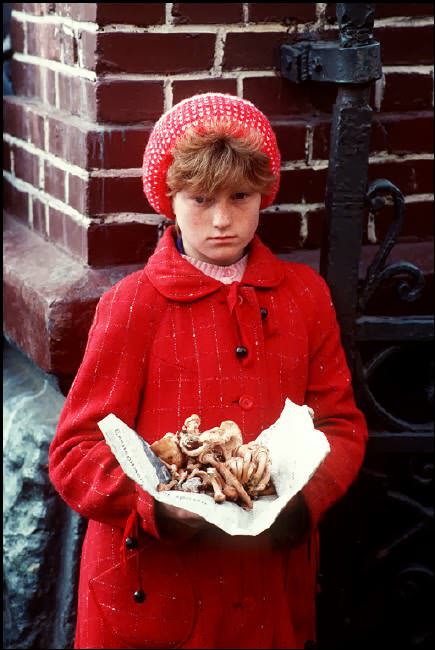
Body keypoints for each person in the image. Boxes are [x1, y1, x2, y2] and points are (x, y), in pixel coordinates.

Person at [48, 92, 368, 649]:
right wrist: (155, 507)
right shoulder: (132, 306)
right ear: (168, 200)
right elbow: (75, 453)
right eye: (200, 199)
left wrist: (303, 504)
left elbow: (340, 424)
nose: (222, 220)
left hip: (267, 586)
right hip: (158, 588)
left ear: (264, 195)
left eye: (240, 197)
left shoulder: (305, 298)